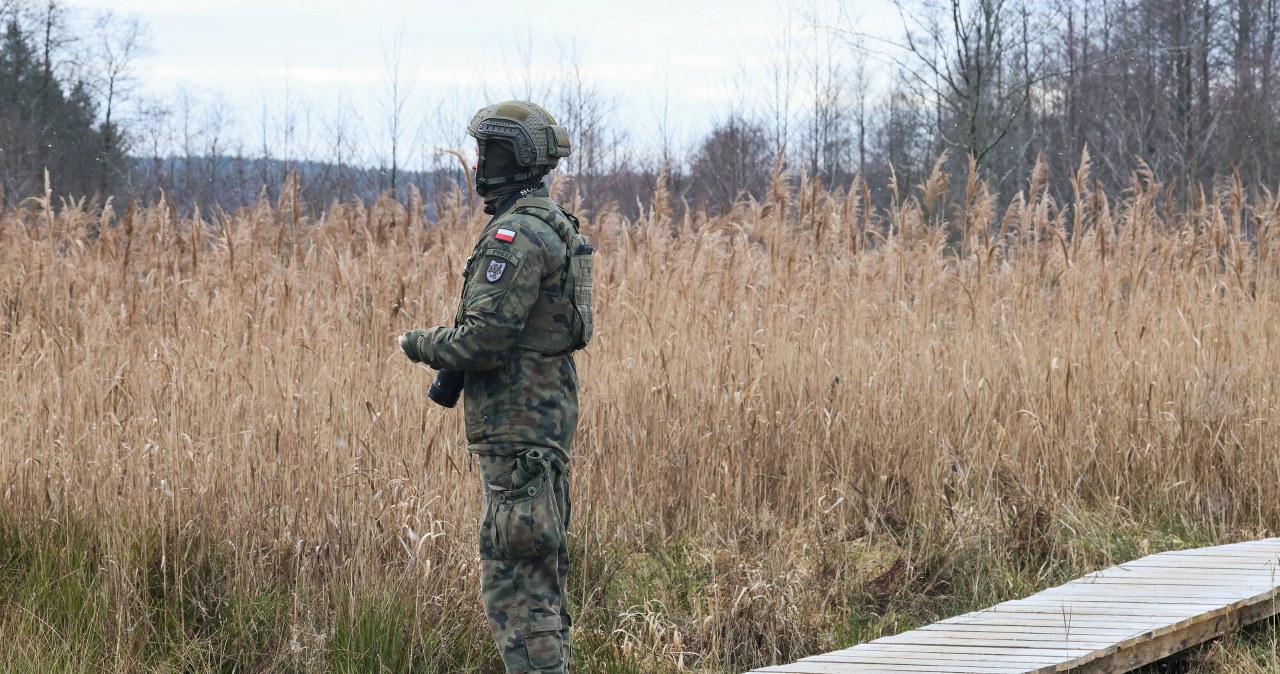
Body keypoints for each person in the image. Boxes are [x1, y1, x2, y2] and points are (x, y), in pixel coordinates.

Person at [397, 100, 593, 674]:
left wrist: (418, 342)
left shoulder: (517, 235)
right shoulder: (551, 223)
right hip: (539, 430)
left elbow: (483, 339)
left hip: (517, 434)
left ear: (513, 158)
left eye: (490, 151)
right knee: (539, 583)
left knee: (515, 590)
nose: (480, 163)